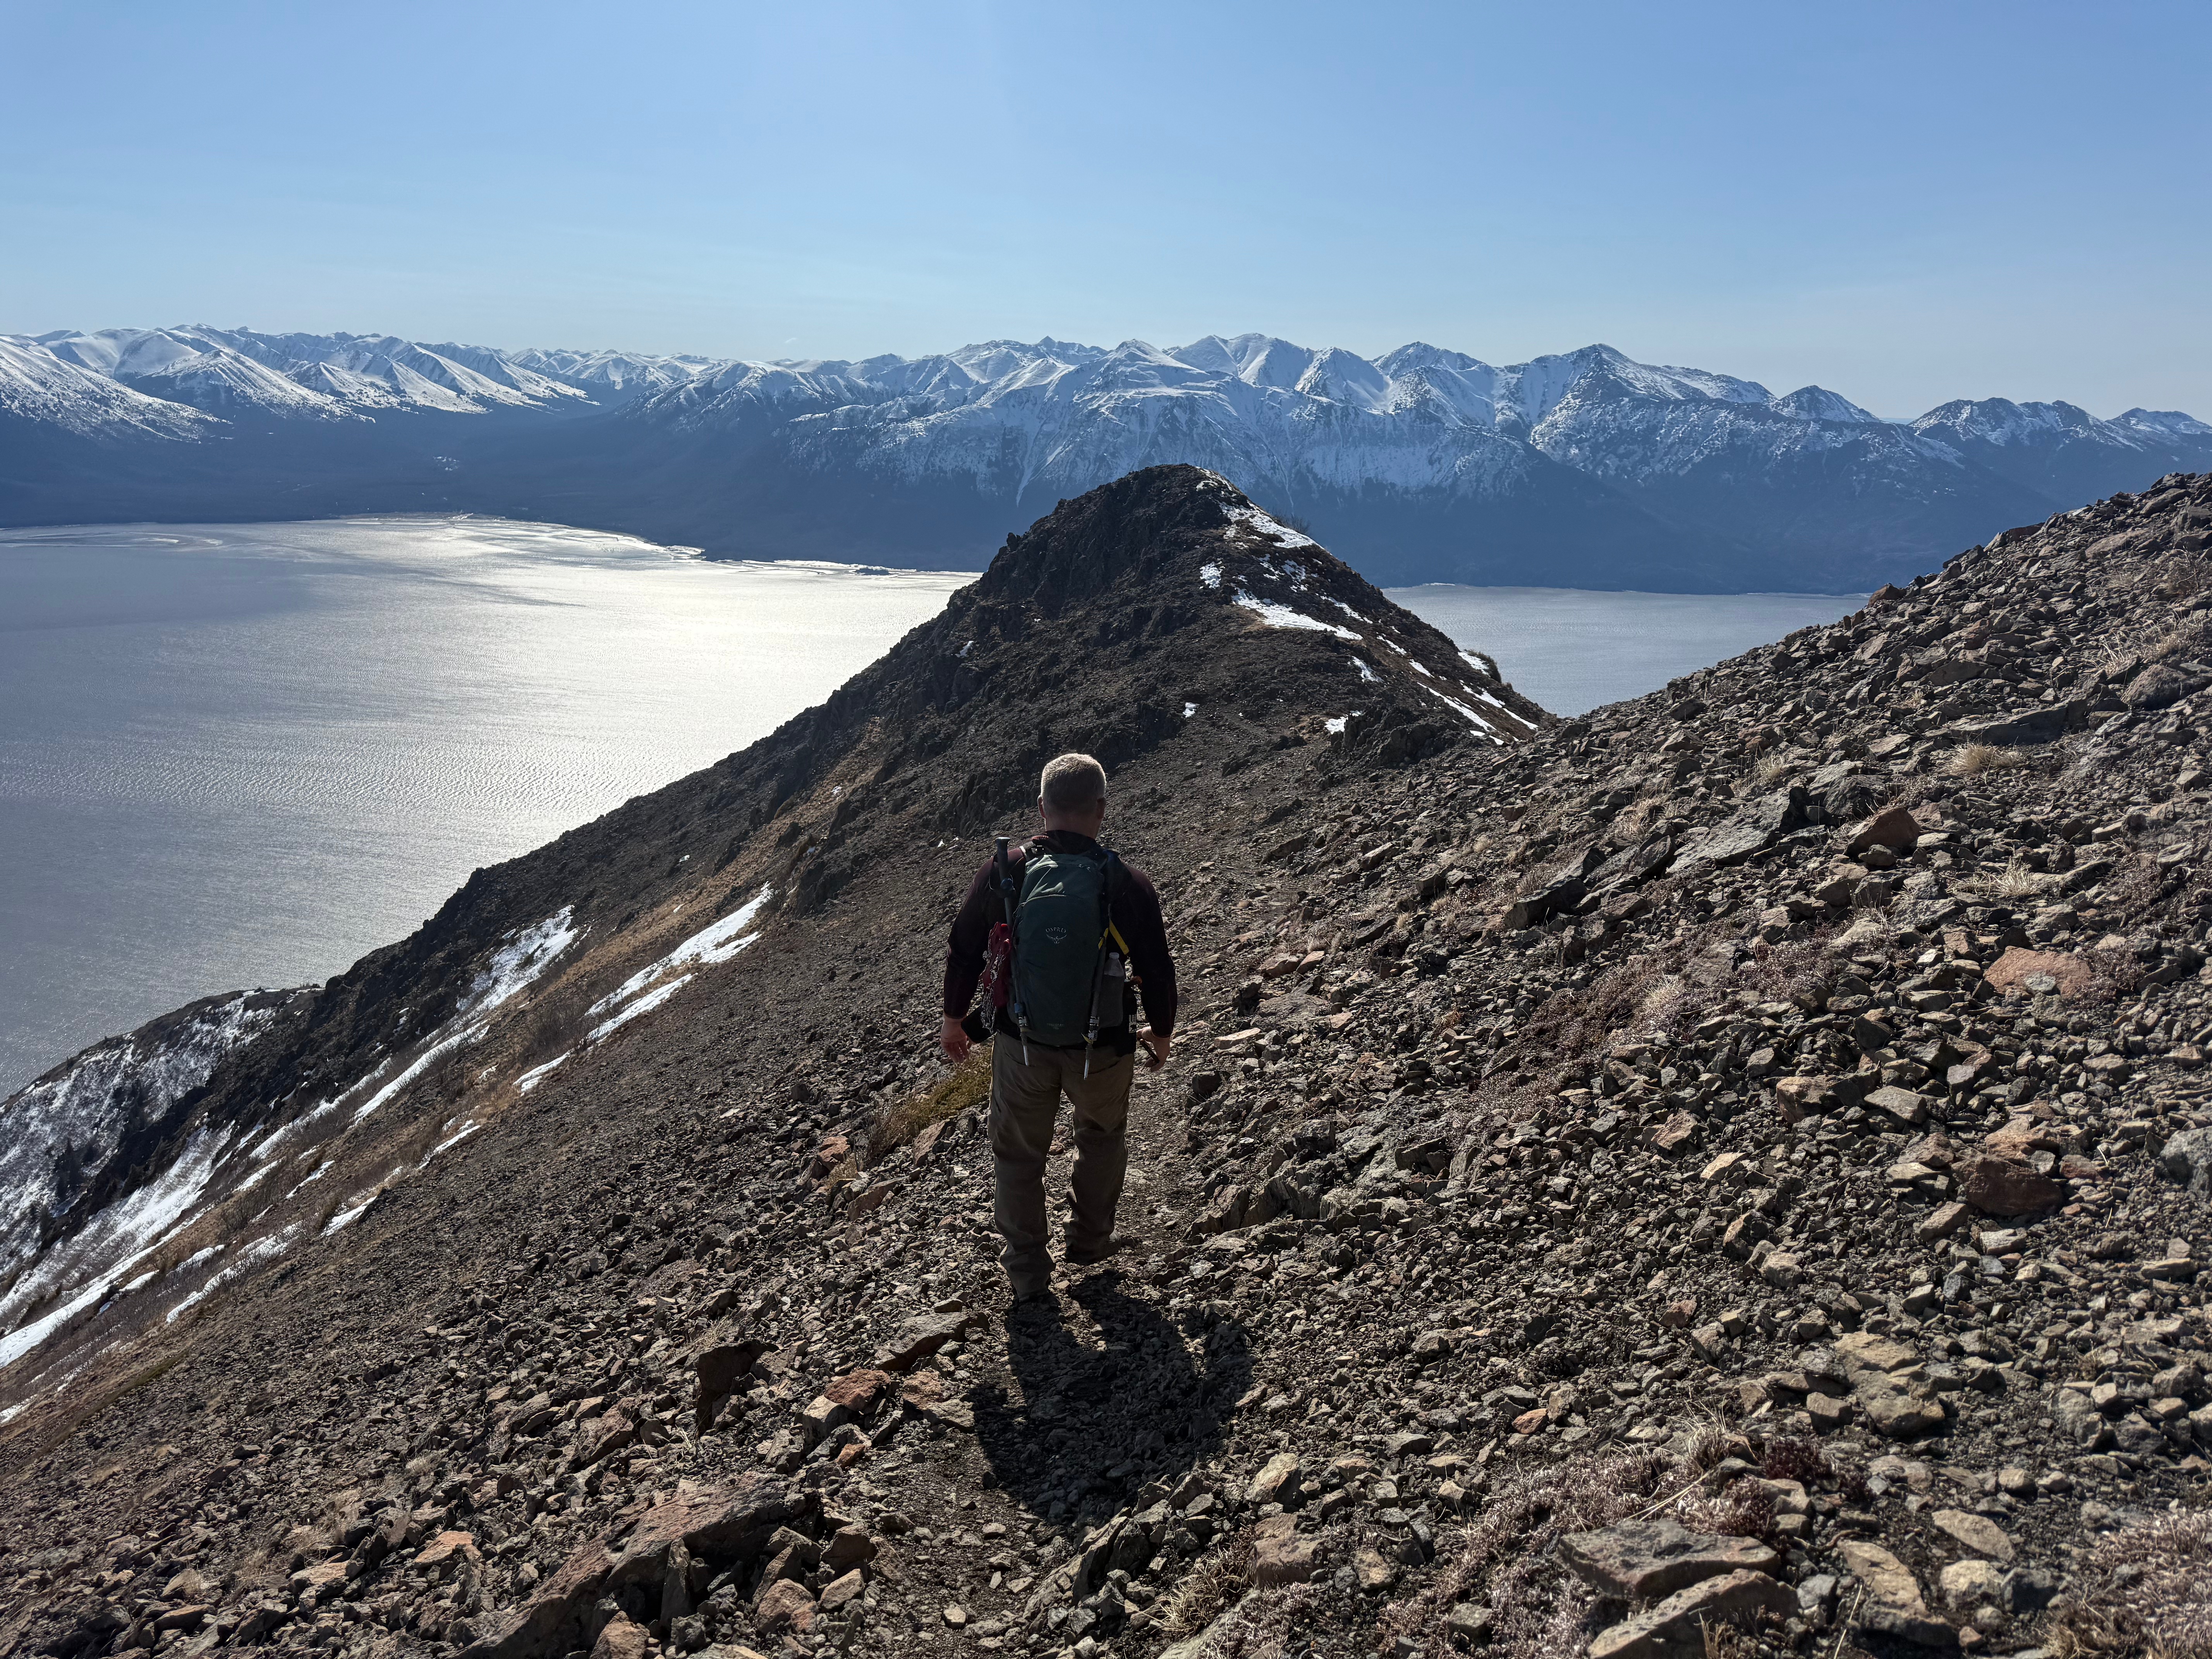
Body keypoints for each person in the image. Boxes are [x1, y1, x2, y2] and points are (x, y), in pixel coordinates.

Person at [942, 753, 1176, 1300]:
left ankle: (1027, 1274)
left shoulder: (1007, 870)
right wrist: (1161, 1032)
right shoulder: (1128, 882)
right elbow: (1157, 970)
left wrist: (956, 1021)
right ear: (1100, 809)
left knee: (1019, 1155)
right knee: (1101, 1139)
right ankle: (1090, 1243)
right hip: (1106, 1047)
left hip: (1022, 1045)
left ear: (1042, 807)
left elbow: (964, 949)